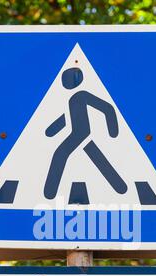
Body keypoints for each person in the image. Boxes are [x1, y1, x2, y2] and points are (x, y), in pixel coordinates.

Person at [44, 67, 127, 199]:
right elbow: (66, 118)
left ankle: (49, 193)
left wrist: (113, 131)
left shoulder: (82, 95)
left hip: (82, 134)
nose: (65, 83)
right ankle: (121, 187)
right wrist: (50, 131)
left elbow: (107, 108)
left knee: (60, 154)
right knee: (97, 158)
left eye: (66, 80)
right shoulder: (70, 99)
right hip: (77, 134)